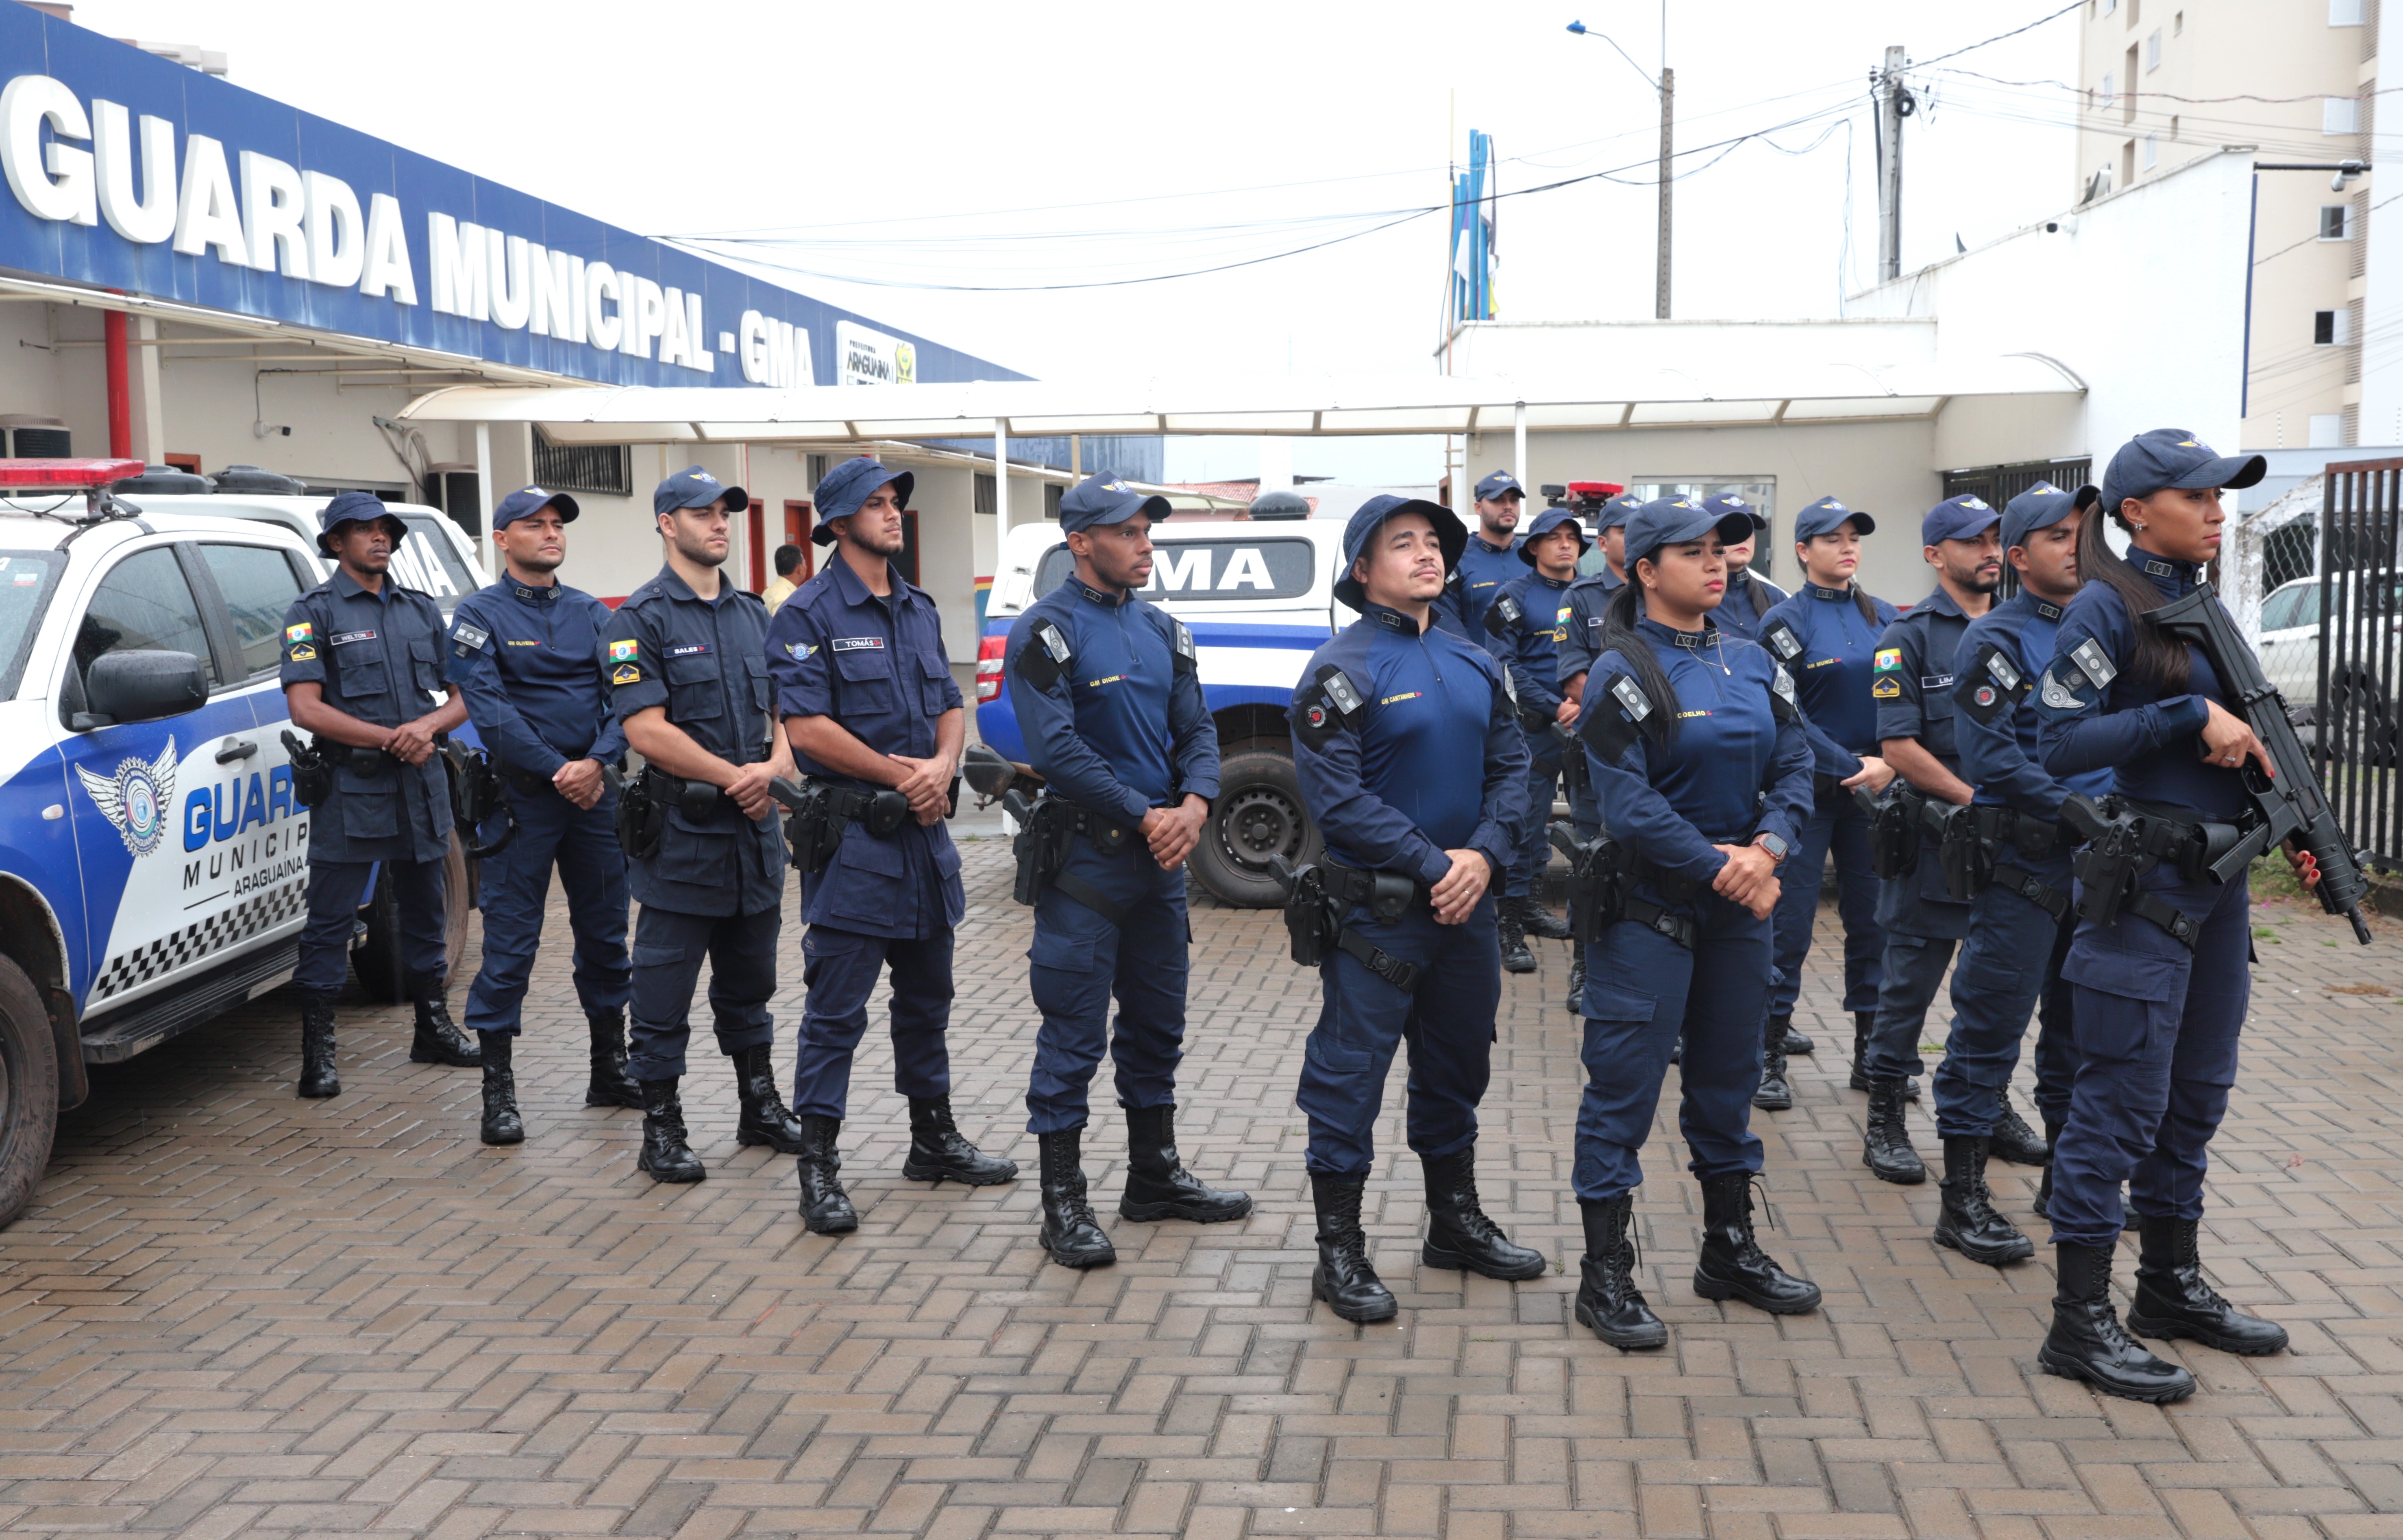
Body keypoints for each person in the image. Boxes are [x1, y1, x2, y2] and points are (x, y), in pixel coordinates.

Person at [2033, 429, 2309, 1403]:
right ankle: (2078, 1324)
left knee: (2195, 1092)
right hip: (2143, 892)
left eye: (2222, 498)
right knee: (2119, 1102)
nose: (2219, 512)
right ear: (2136, 512)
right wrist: (2187, 719)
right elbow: (2055, 741)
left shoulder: (2204, 609)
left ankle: (2167, 1286)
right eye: (2199, 496)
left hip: (2219, 888)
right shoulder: (2106, 607)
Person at [1568, 496, 1819, 1349]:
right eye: (1694, 552)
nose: (1718, 563)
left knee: (1727, 1085)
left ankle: (1729, 1248)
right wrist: (1726, 866)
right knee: (1622, 1092)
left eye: (1724, 549)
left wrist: (1771, 849)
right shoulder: (1623, 669)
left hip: (1740, 914)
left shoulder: (1751, 660)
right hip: (1651, 913)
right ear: (1645, 570)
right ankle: (1606, 1276)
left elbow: (1795, 763)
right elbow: (1626, 802)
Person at [1288, 495, 1539, 1322]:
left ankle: (1453, 1224)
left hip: (1462, 917)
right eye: (1404, 545)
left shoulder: (1474, 659)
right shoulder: (1340, 670)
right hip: (1378, 920)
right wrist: (1442, 865)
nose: (1428, 555)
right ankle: (1340, 1251)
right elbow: (1339, 801)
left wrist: (1485, 857)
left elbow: (1514, 771)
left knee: (1458, 1069)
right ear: (1364, 570)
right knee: (1348, 1079)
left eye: (1434, 543)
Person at [1005, 473, 1250, 1270]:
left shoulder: (1164, 630)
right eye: (1129, 531)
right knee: (1072, 1037)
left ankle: (1154, 1177)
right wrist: (1146, 814)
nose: (1146, 543)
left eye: (1148, 530)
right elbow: (1057, 751)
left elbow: (1198, 730)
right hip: (1086, 867)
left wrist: (1196, 804)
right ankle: (1063, 1201)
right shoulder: (1045, 632)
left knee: (1157, 1029)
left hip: (1158, 870)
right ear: (1081, 541)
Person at [766, 457, 1015, 1234]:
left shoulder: (917, 606)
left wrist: (943, 765)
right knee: (836, 1011)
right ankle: (820, 1163)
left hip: (924, 839)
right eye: (874, 505)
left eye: (894, 504)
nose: (892, 514)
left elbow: (948, 700)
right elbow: (806, 730)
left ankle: (932, 1139)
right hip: (857, 843)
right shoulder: (806, 615)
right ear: (838, 524)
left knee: (928, 1000)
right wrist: (899, 778)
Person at [604, 465, 810, 1184]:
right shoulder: (640, 620)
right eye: (702, 512)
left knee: (750, 983)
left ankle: (759, 1104)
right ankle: (662, 1126)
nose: (720, 522)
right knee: (662, 990)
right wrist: (739, 777)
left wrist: (776, 770)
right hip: (684, 838)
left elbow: (790, 710)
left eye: (725, 510)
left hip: (752, 837)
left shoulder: (756, 615)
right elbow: (646, 730)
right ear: (667, 523)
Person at [1923, 483, 2100, 1264]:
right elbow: (1991, 755)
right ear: (2021, 559)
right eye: (2059, 536)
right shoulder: (1995, 637)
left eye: (2083, 533)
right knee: (1990, 1031)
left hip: (2096, 868)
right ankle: (1962, 1201)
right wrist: (2076, 808)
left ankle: (2067, 1182)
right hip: (2026, 863)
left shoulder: (2103, 629)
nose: (2076, 546)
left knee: (2077, 1032)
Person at [444, 485, 637, 1144]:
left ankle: (610, 1068)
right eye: (535, 525)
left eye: (558, 525)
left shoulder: (595, 613)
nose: (551, 534)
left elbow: (625, 697)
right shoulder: (478, 614)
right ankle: (499, 1091)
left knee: (608, 935)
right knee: (510, 946)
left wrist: (597, 763)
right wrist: (561, 769)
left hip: (594, 800)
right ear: (502, 539)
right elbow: (488, 708)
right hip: (522, 800)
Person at [280, 492, 477, 1098]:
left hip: (419, 783)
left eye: (384, 529)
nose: (379, 538)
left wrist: (428, 729)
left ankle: (433, 1028)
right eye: (362, 531)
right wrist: (392, 737)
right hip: (352, 786)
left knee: (424, 913)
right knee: (330, 922)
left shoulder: (420, 611)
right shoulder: (310, 612)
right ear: (336, 544)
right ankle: (318, 1053)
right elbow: (305, 707)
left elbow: (464, 693)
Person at [1853, 496, 2003, 1183]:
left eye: (1997, 538)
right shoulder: (1907, 636)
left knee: (2000, 988)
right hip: (1939, 837)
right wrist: (1978, 799)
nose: (1990, 551)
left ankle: (1990, 1105)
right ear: (1935, 554)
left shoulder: (2020, 629)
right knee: (1907, 987)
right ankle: (1885, 1116)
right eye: (1972, 541)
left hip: (2012, 846)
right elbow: (1899, 746)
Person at [1752, 498, 1898, 1109]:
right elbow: (1785, 715)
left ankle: (1870, 1053)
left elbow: (1901, 703)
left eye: (1853, 538)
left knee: (1874, 924)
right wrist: (1851, 768)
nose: (1846, 547)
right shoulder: (1783, 623)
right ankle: (1766, 1054)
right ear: (1802, 551)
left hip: (1876, 795)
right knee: (1788, 928)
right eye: (1830, 538)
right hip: (1808, 795)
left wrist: (1889, 763)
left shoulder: (1886, 617)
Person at [1482, 504, 1588, 972]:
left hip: (1587, 728)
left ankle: (1533, 907)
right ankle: (1510, 927)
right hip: (1535, 729)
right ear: (1534, 547)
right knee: (1524, 825)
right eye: (1555, 537)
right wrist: (1554, 704)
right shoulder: (1514, 596)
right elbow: (1504, 663)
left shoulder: (1591, 595)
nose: (1566, 543)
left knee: (1587, 826)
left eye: (1572, 537)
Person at [1551, 490, 1644, 1007]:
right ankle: (1585, 966)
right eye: (1624, 530)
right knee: (1593, 858)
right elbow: (1574, 677)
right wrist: (1643, 717)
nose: (1633, 539)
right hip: (1600, 752)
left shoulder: (1659, 588)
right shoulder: (1580, 598)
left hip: (1659, 754)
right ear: (1604, 539)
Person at [1450, 470, 1527, 635]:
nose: (1508, 506)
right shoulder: (1456, 560)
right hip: (1476, 660)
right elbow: (1448, 625)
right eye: (1498, 500)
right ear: (1478, 508)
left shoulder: (1533, 558)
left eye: (1514, 500)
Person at [1708, 497, 1791, 644]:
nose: (1743, 538)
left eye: (1749, 530)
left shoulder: (1776, 598)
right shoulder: (1692, 599)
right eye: (1732, 529)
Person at [763, 543, 805, 612]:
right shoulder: (788, 599)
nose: (806, 567)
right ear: (800, 569)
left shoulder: (768, 592)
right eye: (805, 563)